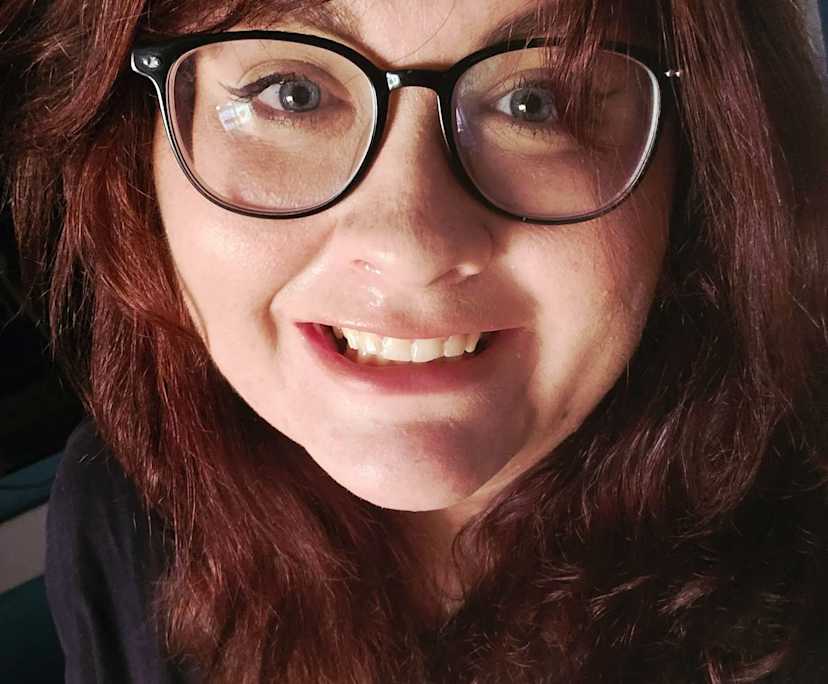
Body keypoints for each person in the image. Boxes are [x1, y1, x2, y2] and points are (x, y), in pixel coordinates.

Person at [2, 0, 827, 681]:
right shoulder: (124, 503)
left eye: (535, 102)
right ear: (135, 153)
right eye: (292, 93)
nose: (410, 245)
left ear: (699, 172)